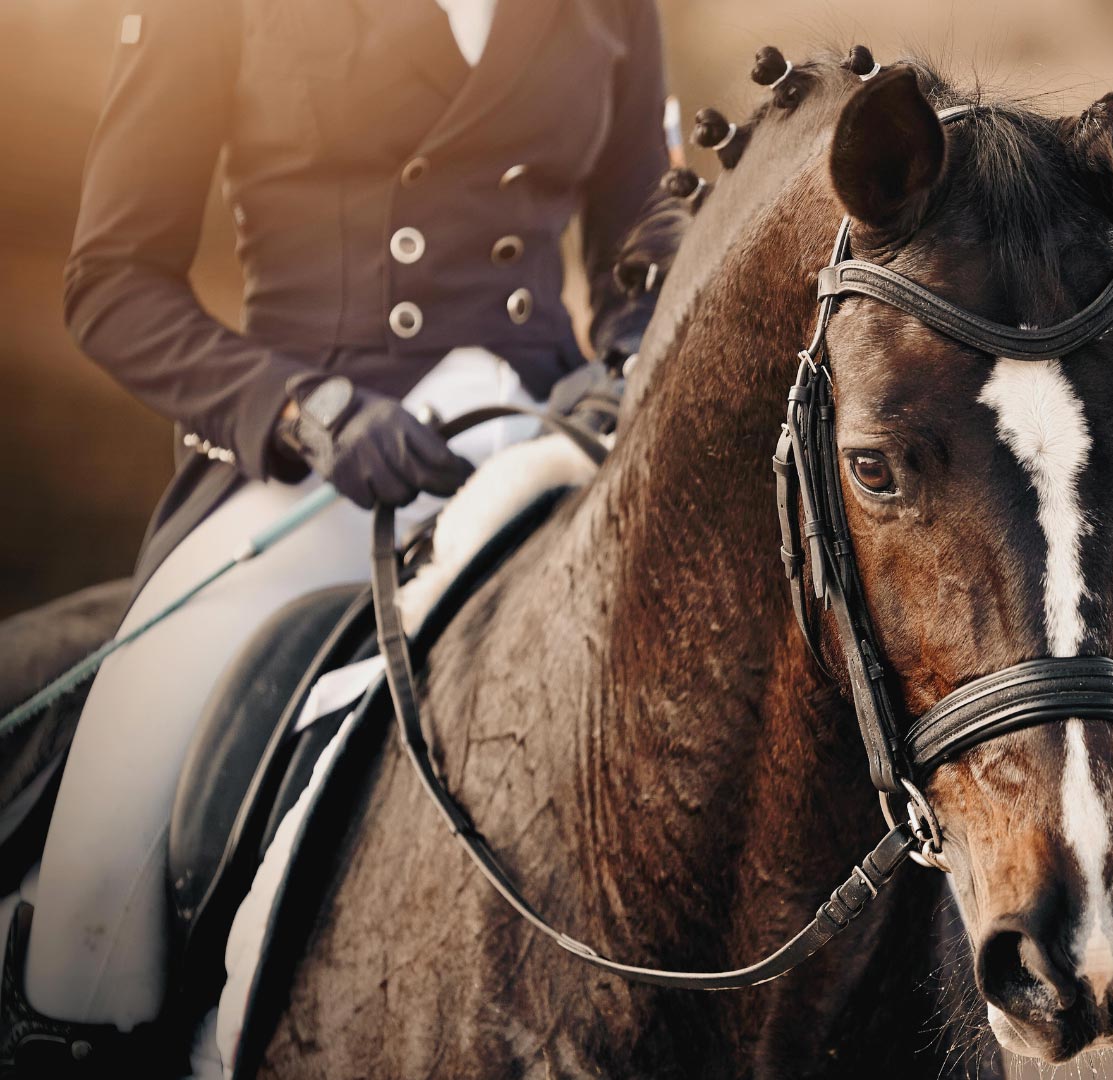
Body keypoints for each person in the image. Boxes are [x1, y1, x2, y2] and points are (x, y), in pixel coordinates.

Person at [0, 0, 668, 1068]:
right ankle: (73, 1036)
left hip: (545, 444)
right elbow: (114, 281)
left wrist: (626, 373)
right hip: (314, 465)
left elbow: (647, 241)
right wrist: (304, 411)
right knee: (117, 803)